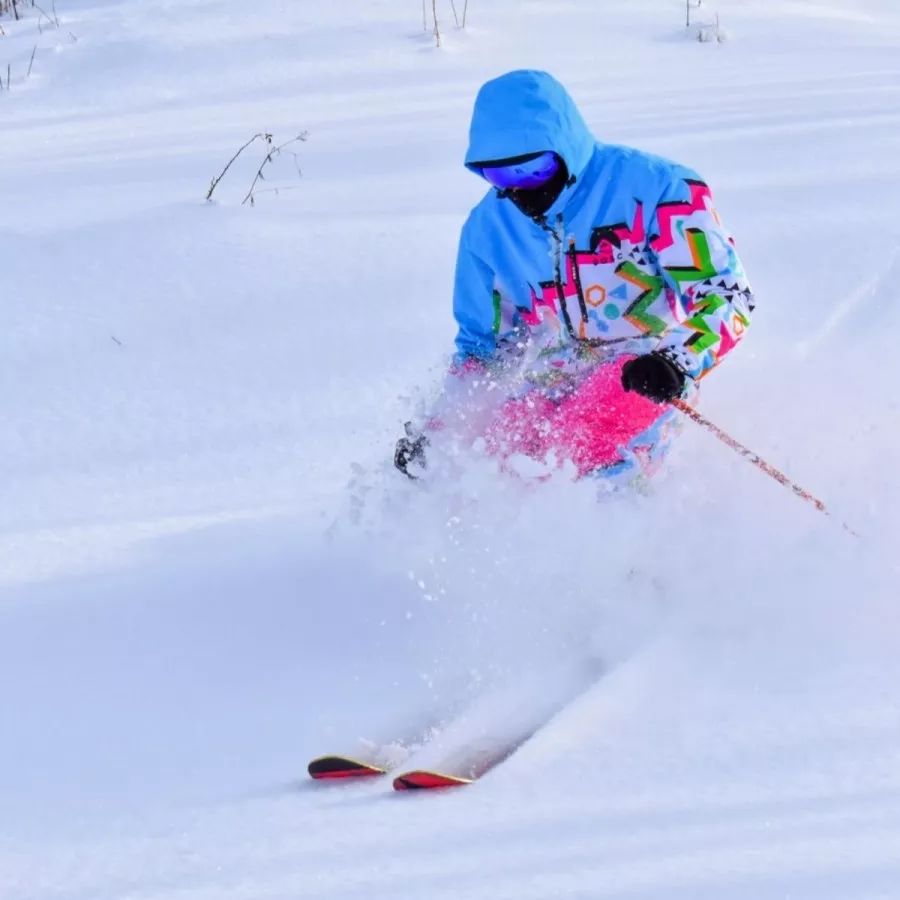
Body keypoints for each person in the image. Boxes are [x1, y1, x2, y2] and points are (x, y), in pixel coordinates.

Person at [395, 69, 754, 487]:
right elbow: (481, 350)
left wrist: (676, 359)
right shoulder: (488, 230)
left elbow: (726, 295)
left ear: (566, 147)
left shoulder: (659, 190)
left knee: (582, 460)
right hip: (550, 382)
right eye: (500, 177)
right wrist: (443, 435)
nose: (520, 191)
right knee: (491, 460)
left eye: (533, 171)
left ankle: (619, 534)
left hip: (642, 373)